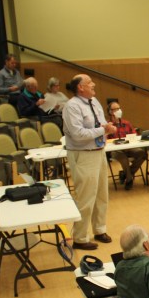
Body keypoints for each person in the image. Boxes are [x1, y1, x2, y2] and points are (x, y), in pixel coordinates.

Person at [62, 74, 116, 250]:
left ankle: (99, 229)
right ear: (80, 87)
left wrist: (108, 127)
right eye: (89, 82)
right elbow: (78, 134)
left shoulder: (94, 102)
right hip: (83, 154)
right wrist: (103, 130)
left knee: (101, 194)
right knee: (86, 197)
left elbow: (101, 124)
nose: (93, 85)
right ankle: (80, 237)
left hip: (99, 151)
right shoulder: (72, 106)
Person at [106, 100, 146, 190]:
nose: (118, 111)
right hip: (115, 151)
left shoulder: (126, 123)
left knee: (142, 153)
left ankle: (125, 173)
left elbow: (134, 135)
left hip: (129, 148)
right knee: (123, 158)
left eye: (119, 108)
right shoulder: (108, 125)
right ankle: (129, 179)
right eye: (115, 109)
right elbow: (106, 140)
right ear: (110, 112)